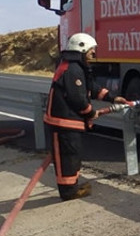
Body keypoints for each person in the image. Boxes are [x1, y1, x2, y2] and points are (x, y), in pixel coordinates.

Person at [43, 32, 129, 200]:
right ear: (81, 49)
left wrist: (112, 97)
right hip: (62, 124)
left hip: (69, 123)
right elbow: (77, 98)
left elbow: (91, 87)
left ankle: (72, 188)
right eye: (91, 51)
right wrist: (90, 112)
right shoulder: (72, 70)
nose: (94, 54)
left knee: (73, 156)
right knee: (67, 159)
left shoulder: (76, 67)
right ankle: (68, 193)